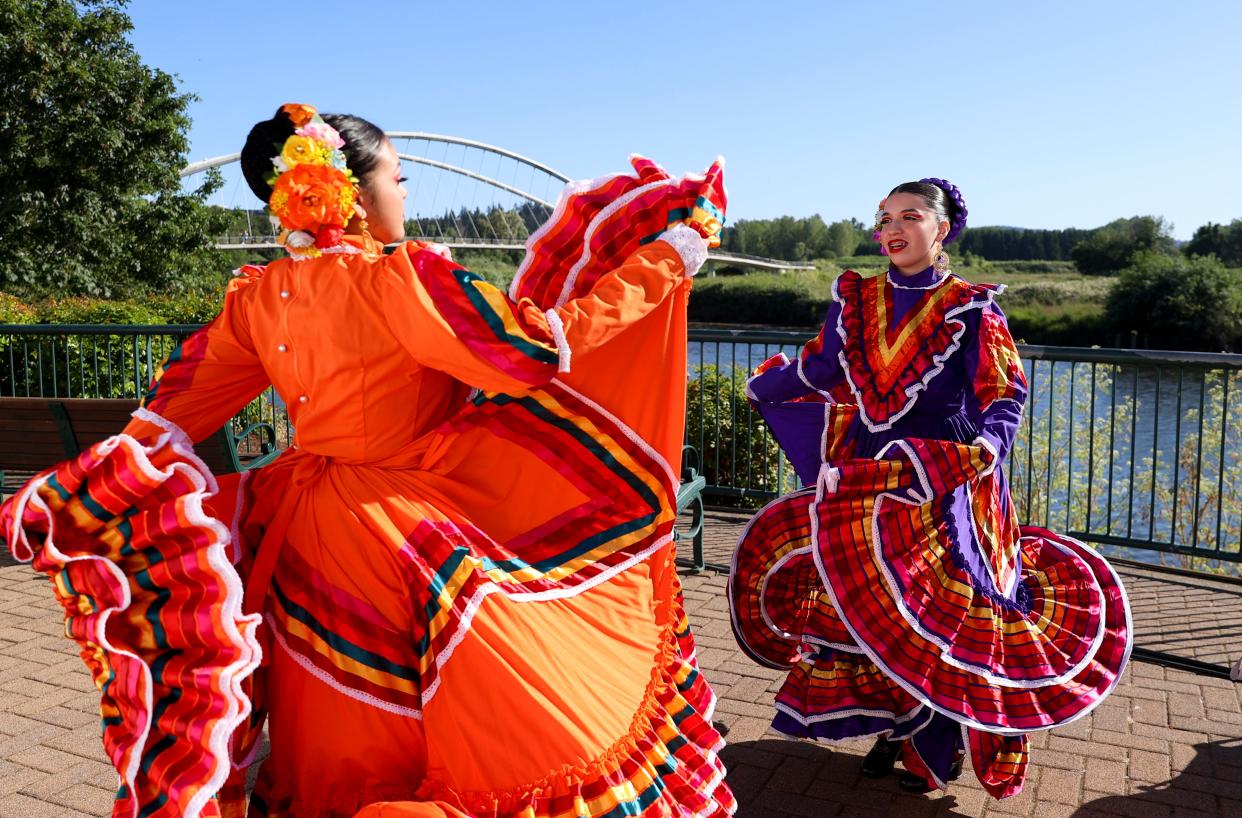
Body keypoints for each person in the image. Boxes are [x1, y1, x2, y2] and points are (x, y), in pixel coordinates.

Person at [1, 104, 735, 818]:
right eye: (398, 176)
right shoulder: (402, 281)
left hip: (304, 531)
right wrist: (667, 262)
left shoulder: (263, 295)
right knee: (506, 708)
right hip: (409, 525)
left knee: (340, 737)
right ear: (353, 192)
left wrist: (73, 497)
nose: (407, 192)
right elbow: (535, 353)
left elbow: (171, 415)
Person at [728, 179, 1132, 798]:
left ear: (941, 230)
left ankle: (932, 748)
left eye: (909, 217)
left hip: (943, 476)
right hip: (868, 468)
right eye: (884, 218)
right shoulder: (855, 296)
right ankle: (893, 726)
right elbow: (820, 367)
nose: (892, 229)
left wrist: (989, 448)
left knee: (944, 613)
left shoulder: (972, 306)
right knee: (873, 607)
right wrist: (766, 388)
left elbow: (1003, 393)